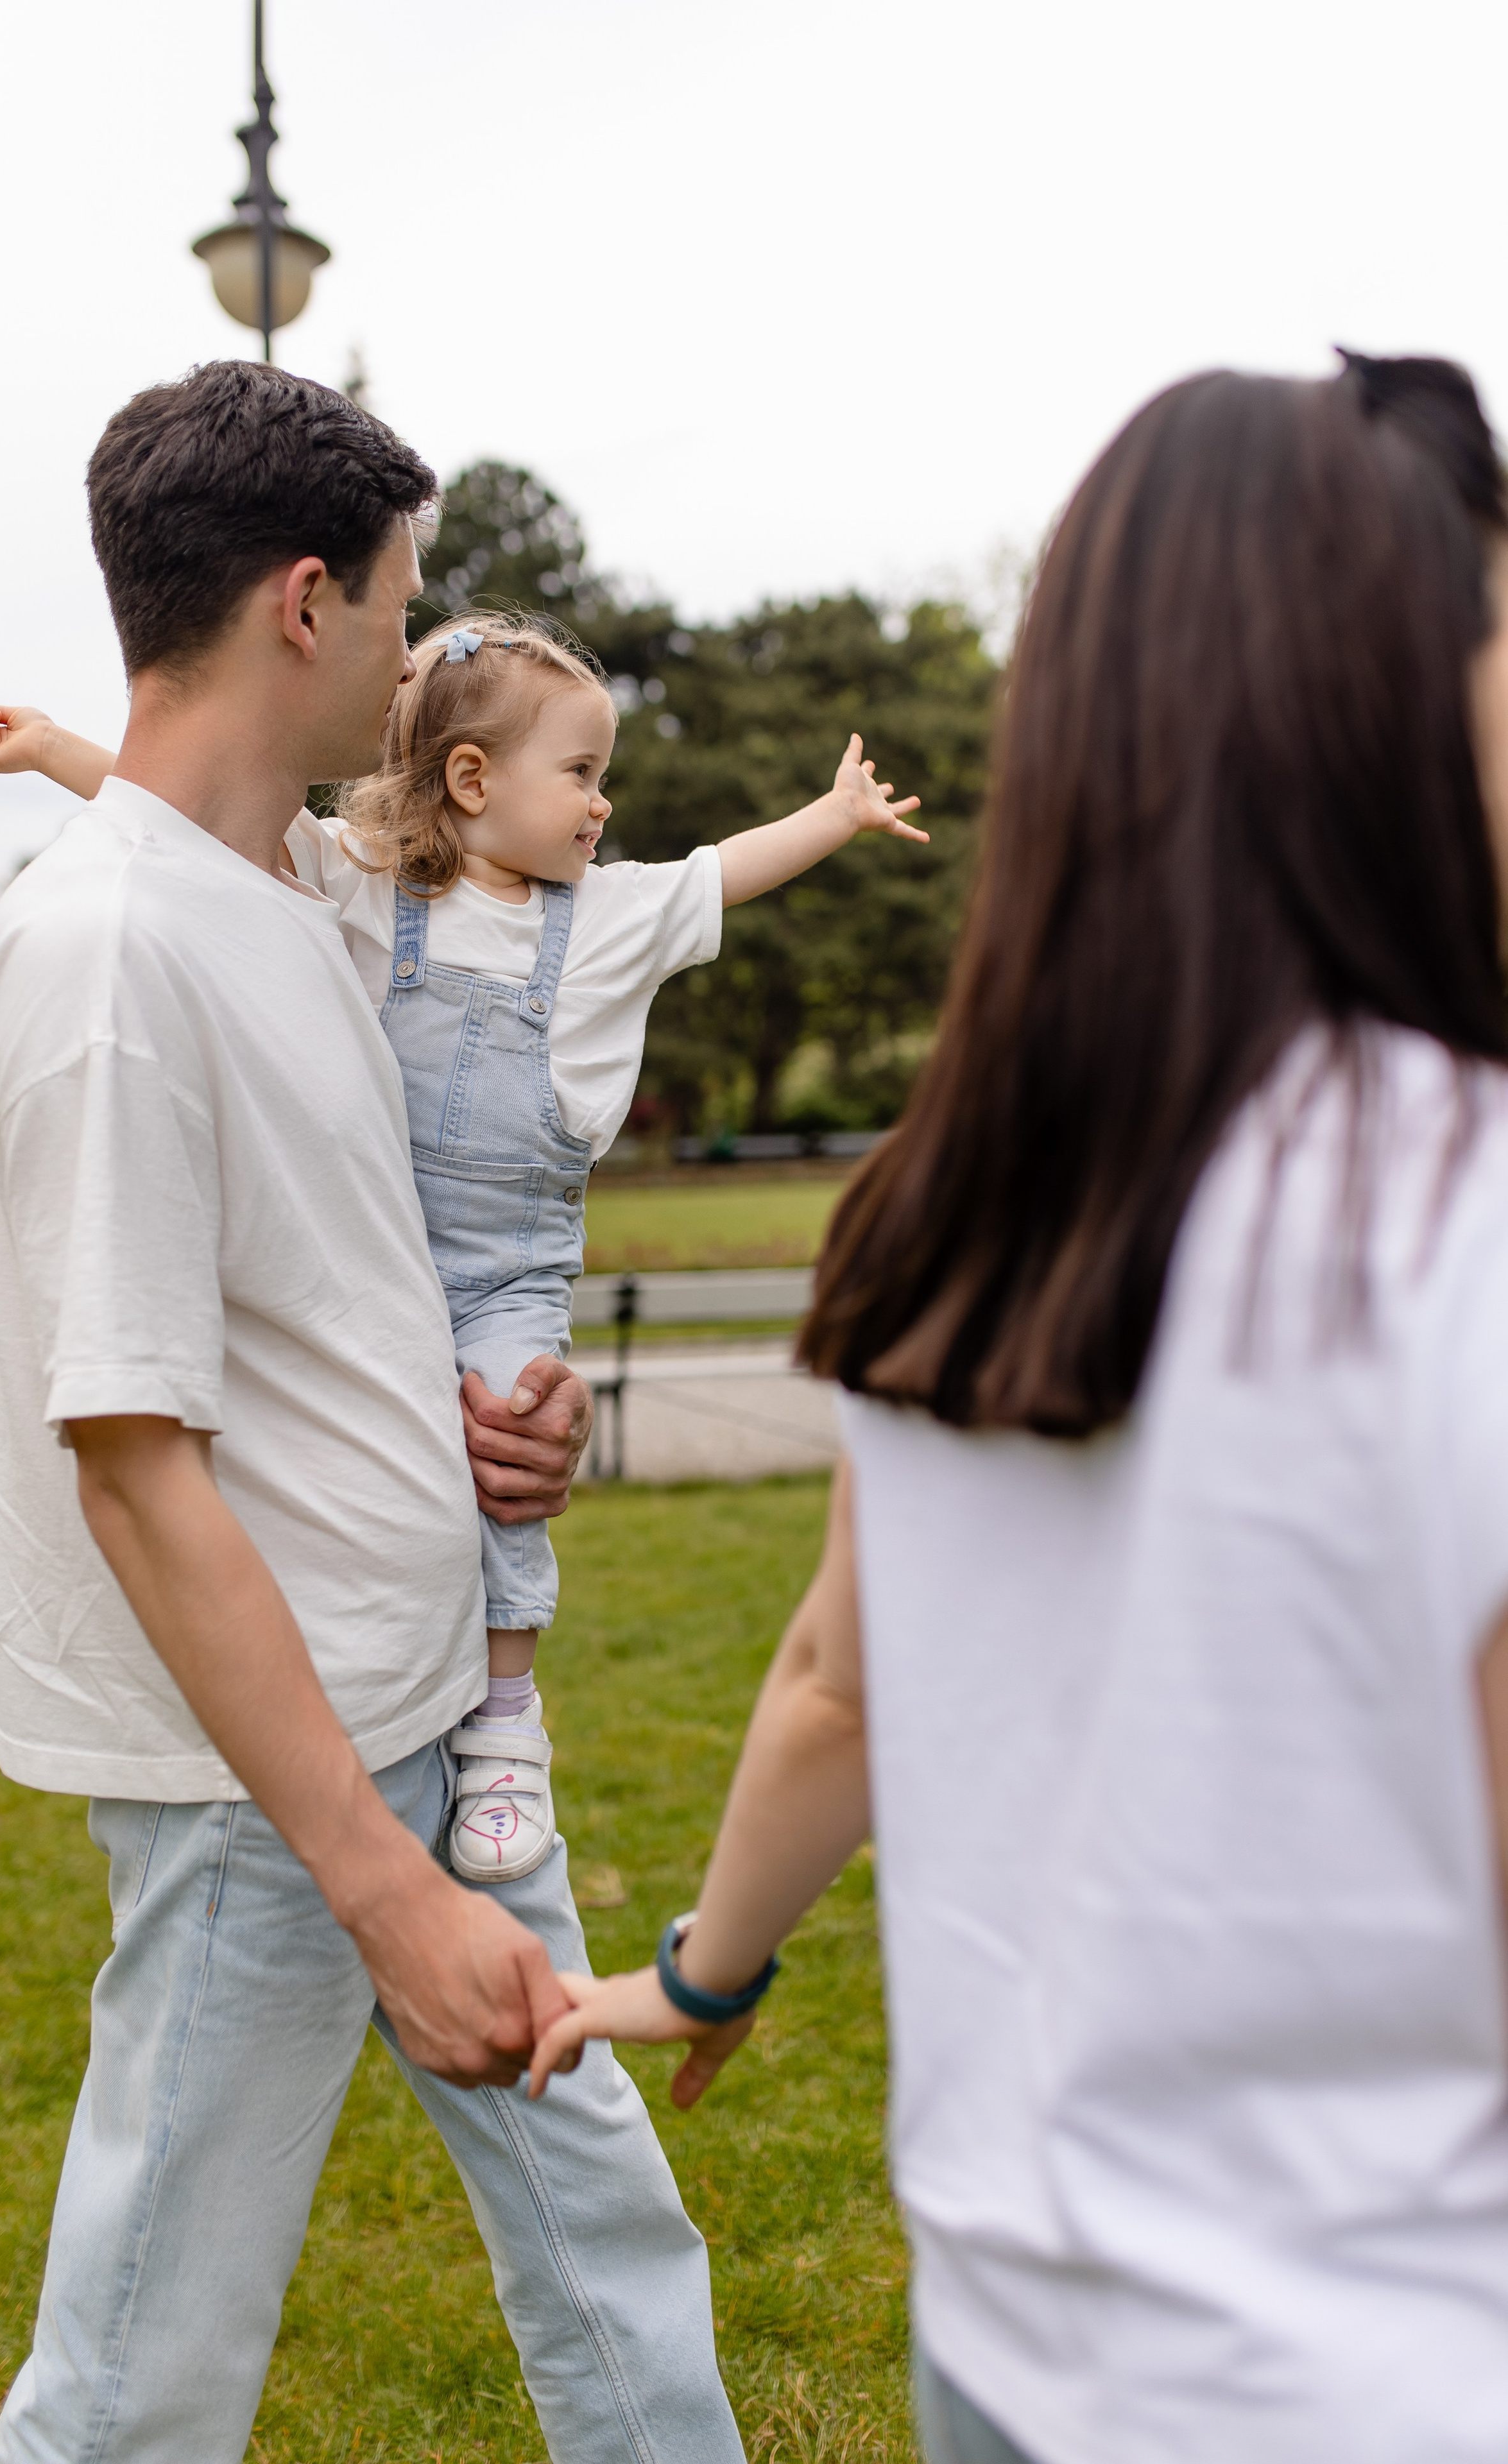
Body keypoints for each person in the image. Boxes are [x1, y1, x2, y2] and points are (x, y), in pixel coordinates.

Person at [530, 352, 1508, 2464]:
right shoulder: (1460, 1211)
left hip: (1014, 2353)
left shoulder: (951, 1198)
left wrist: (705, 1972)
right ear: (1388, 695)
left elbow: (835, 1683)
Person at [0, 358, 744, 2464]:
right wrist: (382, 1890)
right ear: (304, 602)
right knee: (144, 2372)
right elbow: (135, 1470)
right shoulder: (111, 959)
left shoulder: (303, 900)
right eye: (401, 605)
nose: (414, 656)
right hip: (272, 1799)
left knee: (611, 2237)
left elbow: (357, 1283)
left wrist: (510, 1428)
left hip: (437, 1713)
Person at [0, 610, 925, 1883]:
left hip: (511, 1272)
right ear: (472, 780)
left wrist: (835, 814)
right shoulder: (364, 886)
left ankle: (507, 1724)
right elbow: (180, 821)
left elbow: (721, 871)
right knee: (367, 1468)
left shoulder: (609, 917)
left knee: (508, 1433)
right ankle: (274, 1686)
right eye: (580, 772)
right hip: (379, 1259)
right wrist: (50, 749)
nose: (602, 802)